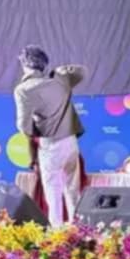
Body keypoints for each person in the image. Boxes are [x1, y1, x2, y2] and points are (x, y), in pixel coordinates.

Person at [13, 45, 86, 226]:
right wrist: (58, 71)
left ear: (24, 65)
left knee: (53, 192)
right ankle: (78, 230)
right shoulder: (60, 80)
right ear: (44, 64)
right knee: (73, 190)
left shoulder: (23, 89)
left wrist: (34, 131)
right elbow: (82, 71)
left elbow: (24, 127)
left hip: (51, 144)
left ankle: (57, 232)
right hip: (71, 141)